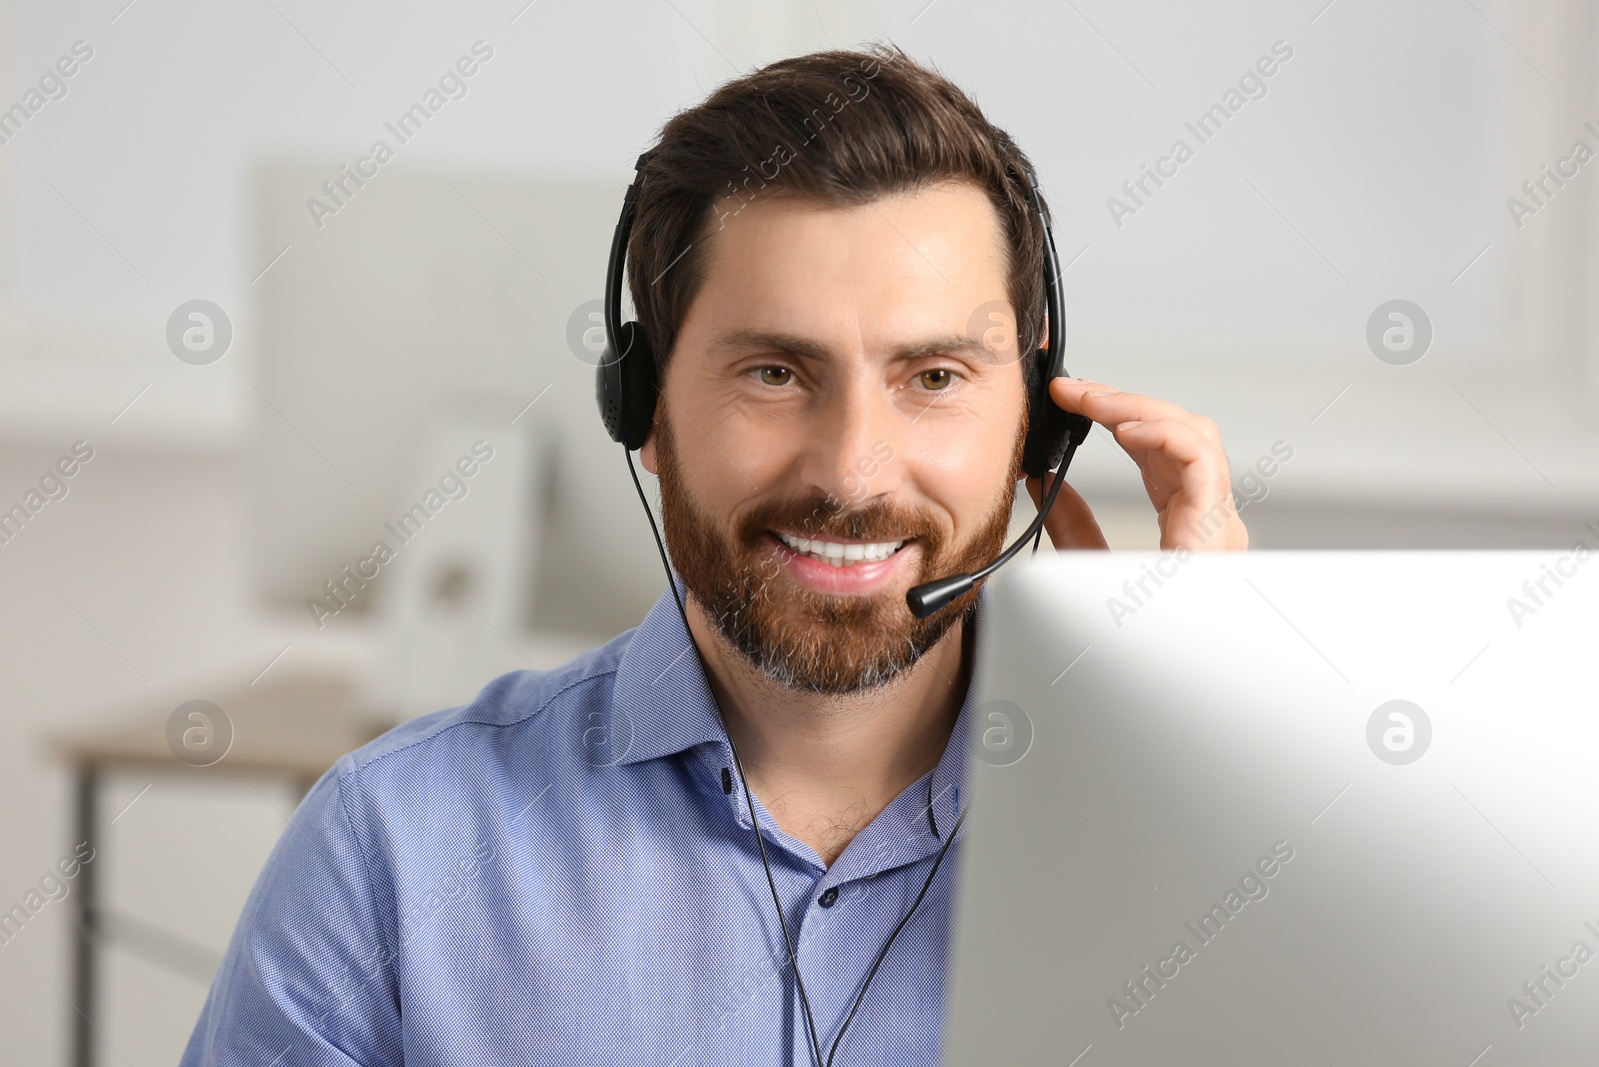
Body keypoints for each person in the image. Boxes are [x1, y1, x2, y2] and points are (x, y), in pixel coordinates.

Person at [181, 43, 1246, 1067]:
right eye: (777, 373)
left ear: (1034, 422)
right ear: (643, 409)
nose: (854, 472)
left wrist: (1209, 742)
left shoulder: (1197, 845)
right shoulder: (392, 849)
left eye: (932, 377)